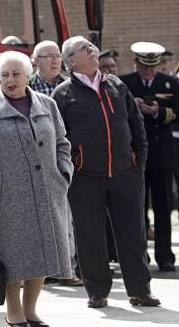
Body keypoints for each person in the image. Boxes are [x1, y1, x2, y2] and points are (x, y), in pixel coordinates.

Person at [0, 52, 74, 327]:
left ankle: (31, 310)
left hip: (48, 191)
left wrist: (63, 174)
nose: (10, 80)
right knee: (11, 256)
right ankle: (13, 310)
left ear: (28, 75)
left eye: (16, 74)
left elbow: (62, 143)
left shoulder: (47, 105)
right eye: (4, 75)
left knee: (41, 251)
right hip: (6, 197)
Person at [52, 37, 160, 309]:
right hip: (85, 177)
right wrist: (70, 169)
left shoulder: (116, 85)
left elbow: (137, 125)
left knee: (133, 234)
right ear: (71, 61)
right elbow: (56, 138)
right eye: (84, 48)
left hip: (126, 173)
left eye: (90, 46)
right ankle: (97, 292)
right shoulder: (63, 94)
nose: (91, 49)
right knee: (89, 236)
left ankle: (140, 290)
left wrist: (139, 161)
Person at [120, 42, 179, 272]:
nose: (149, 72)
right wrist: (133, 107)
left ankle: (165, 255)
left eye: (153, 67)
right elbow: (117, 115)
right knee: (137, 208)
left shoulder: (170, 82)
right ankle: (140, 256)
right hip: (135, 153)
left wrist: (158, 111)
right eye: (145, 67)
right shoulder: (126, 83)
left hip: (163, 153)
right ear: (136, 63)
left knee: (164, 206)